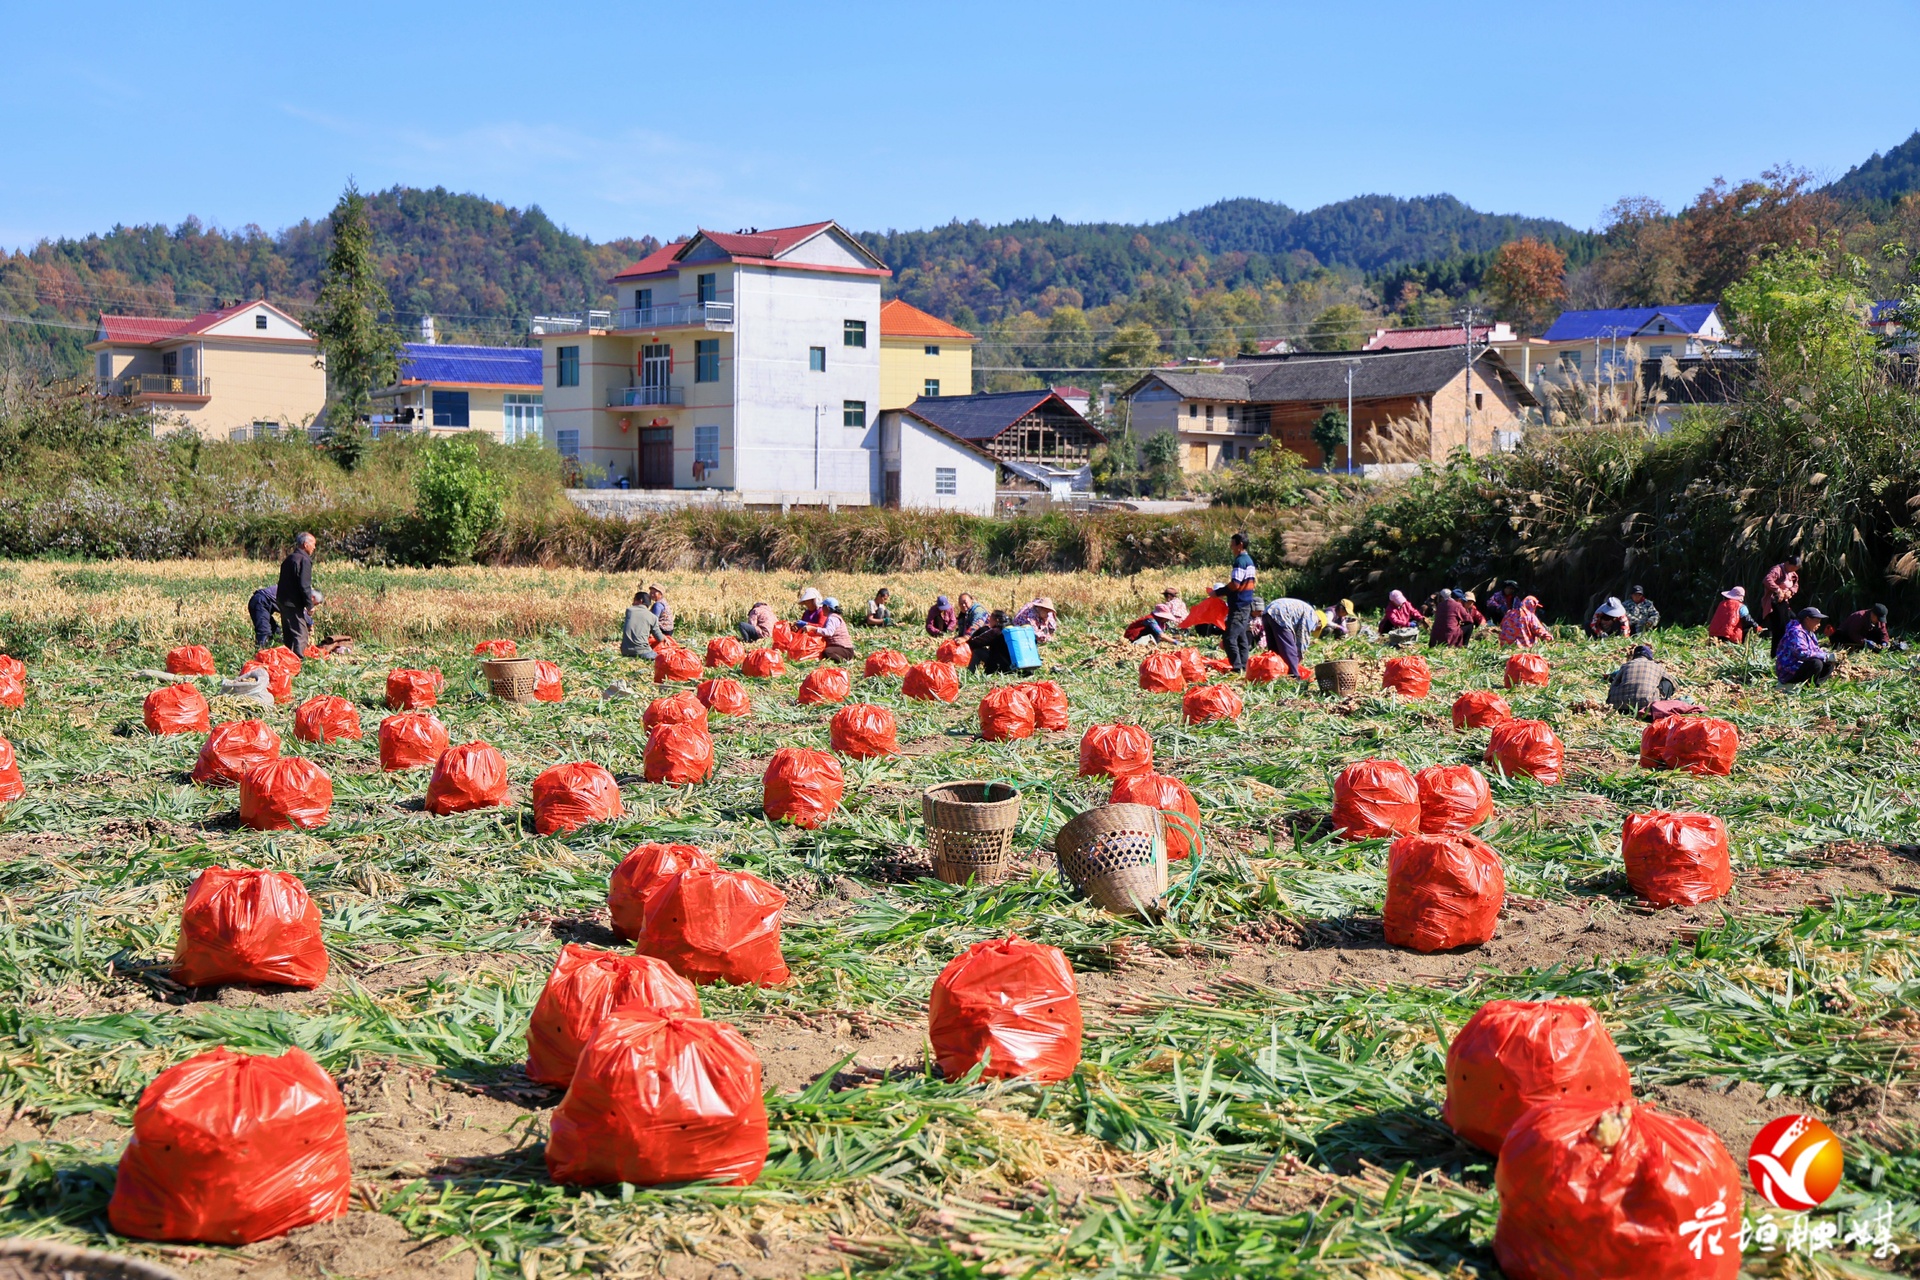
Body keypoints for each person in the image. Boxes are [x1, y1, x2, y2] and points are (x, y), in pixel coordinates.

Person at [1215, 533, 1258, 673]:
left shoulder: (1240, 561)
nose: (1231, 547)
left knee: (1229, 638)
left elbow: (1235, 584)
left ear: (1240, 545)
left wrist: (1218, 592)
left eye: (1232, 544)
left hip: (1239, 604)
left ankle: (1238, 667)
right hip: (1246, 603)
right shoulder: (1249, 560)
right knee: (1241, 636)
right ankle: (1244, 666)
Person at [277, 532, 319, 658]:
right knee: (301, 634)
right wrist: (309, 605)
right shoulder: (304, 560)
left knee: (289, 634)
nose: (314, 547)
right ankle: (298, 663)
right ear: (306, 545)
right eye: (313, 544)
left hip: (283, 600)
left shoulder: (290, 558)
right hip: (293, 602)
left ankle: (287, 662)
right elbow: (304, 585)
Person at [1606, 643, 1676, 714]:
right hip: (1647, 705)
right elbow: (1673, 683)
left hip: (1620, 706)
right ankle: (1659, 706)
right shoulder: (1656, 666)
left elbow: (1613, 685)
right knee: (1667, 683)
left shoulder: (1625, 666)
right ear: (1649, 656)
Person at [1776, 606, 1836, 686]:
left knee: (1829, 664)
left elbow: (1815, 650)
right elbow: (1802, 653)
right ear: (1807, 619)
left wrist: (1827, 656)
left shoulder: (1810, 634)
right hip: (1789, 671)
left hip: (1800, 667)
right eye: (1817, 621)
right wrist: (1825, 656)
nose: (1819, 624)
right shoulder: (1795, 632)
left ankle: (1814, 686)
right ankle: (1794, 685)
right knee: (1816, 663)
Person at [1262, 597, 1316, 678]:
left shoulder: (1306, 610)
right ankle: (1294, 676)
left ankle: (1274, 673)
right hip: (1280, 613)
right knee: (1289, 648)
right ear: (1319, 624)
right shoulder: (1313, 617)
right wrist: (1299, 656)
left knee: (1274, 649)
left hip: (1267, 612)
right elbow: (1302, 638)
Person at [1761, 554, 1803, 655]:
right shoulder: (1777, 570)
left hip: (1785, 603)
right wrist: (1778, 590)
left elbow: (1795, 586)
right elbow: (1767, 580)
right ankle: (1775, 654)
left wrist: (1790, 592)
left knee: (1794, 622)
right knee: (1779, 629)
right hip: (1775, 602)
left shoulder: (1793, 574)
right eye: (1793, 568)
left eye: (1796, 569)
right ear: (1788, 563)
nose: (1794, 570)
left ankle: (1789, 650)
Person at [967, 610, 1017, 675]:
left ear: (997, 620)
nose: (989, 621)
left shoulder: (996, 631)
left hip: (1001, 667)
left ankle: (969, 674)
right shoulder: (1013, 629)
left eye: (990, 618)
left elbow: (976, 643)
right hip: (1014, 666)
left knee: (978, 652)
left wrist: (967, 642)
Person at [622, 590, 668, 659]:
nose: (632, 603)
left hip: (625, 651)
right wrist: (664, 637)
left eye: (634, 600)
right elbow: (659, 638)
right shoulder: (653, 617)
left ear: (640, 600)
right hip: (643, 651)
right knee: (662, 658)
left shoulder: (629, 611)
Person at [808, 597, 855, 662]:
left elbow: (829, 632)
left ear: (827, 607)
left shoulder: (832, 618)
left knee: (827, 652)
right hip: (841, 649)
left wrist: (813, 629)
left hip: (844, 649)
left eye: (822, 606)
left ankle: (845, 662)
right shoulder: (834, 617)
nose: (821, 609)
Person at [248, 584, 283, 650]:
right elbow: (300, 615)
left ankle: (277, 653)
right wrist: (309, 623)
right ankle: (260, 654)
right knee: (264, 632)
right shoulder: (298, 594)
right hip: (260, 601)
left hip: (262, 602)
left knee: (276, 632)